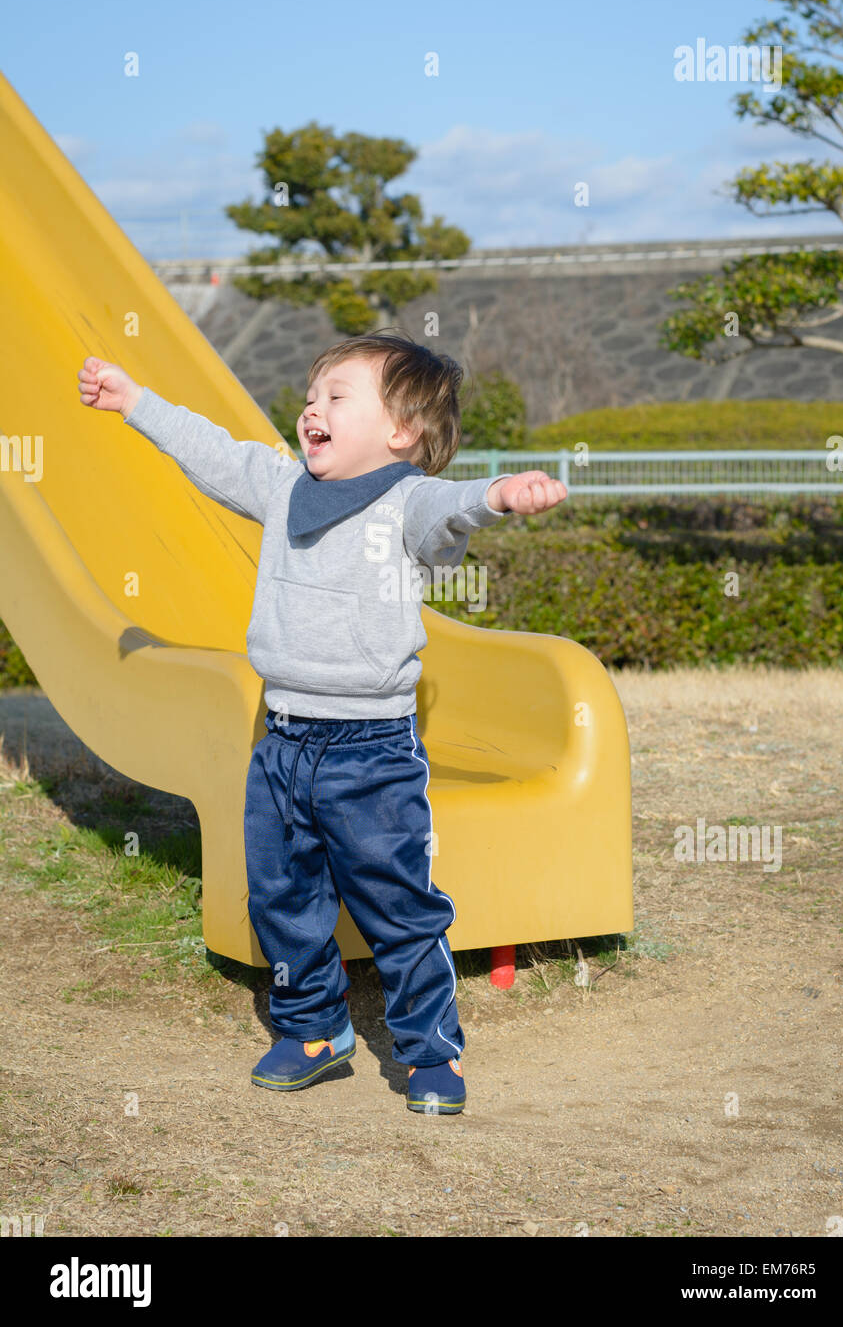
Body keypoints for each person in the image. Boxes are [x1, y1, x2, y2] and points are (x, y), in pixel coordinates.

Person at [77, 331, 567, 1114]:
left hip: (371, 750)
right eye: (311, 397)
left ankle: (430, 1052)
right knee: (282, 896)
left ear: (400, 430)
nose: (313, 410)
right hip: (283, 741)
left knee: (399, 907)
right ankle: (314, 1030)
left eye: (337, 397)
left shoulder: (405, 504)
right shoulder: (282, 488)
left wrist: (502, 493)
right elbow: (212, 451)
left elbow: (454, 502)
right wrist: (136, 403)